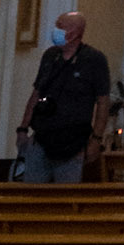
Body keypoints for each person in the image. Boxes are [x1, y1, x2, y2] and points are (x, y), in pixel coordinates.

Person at [17, 11, 110, 183]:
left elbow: (103, 101)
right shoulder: (50, 56)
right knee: (31, 196)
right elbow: (36, 93)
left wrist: (96, 139)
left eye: (60, 26)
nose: (55, 30)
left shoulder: (93, 60)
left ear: (74, 33)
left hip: (73, 143)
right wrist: (23, 128)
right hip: (42, 139)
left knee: (65, 197)